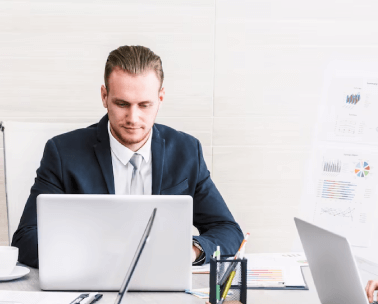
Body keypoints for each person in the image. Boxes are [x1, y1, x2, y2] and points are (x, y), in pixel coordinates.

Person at [11, 45, 244, 268]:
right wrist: (99, 255)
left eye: (144, 105)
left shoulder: (187, 151)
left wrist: (191, 250)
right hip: (89, 279)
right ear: (104, 96)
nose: (133, 118)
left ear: (160, 99)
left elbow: (227, 229)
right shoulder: (62, 152)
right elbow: (26, 238)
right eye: (122, 104)